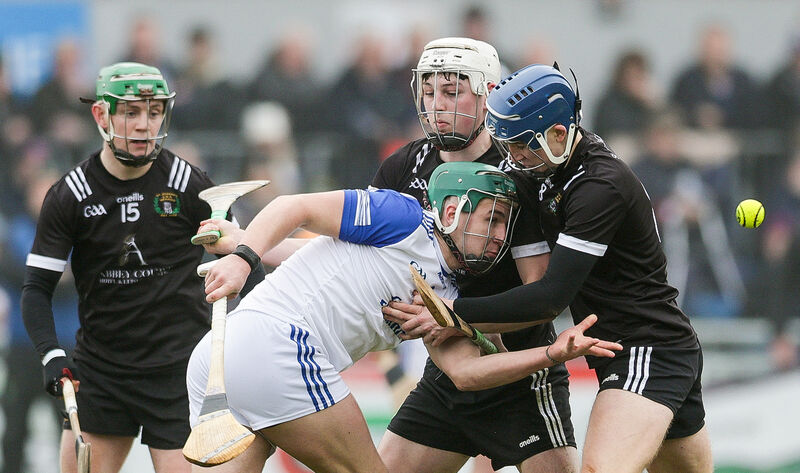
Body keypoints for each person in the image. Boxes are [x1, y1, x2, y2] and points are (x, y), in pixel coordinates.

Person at [187, 161, 621, 473]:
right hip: (278, 348)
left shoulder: (448, 297)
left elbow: (467, 373)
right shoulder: (405, 217)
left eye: (506, 226)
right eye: (492, 219)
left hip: (221, 356)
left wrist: (551, 353)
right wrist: (245, 256)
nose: (498, 238)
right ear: (451, 211)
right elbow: (293, 206)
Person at [383, 64, 713, 473]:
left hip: (647, 348)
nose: (514, 157)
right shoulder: (544, 166)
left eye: (522, 145)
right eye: (508, 145)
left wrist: (451, 314)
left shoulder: (598, 187)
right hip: (617, 350)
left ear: (558, 133)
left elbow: (548, 299)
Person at [20, 62, 264, 473]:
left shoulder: (189, 184)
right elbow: (36, 289)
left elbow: (248, 263)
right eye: (130, 112)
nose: (143, 125)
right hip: (101, 375)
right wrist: (51, 354)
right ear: (101, 115)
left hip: (179, 374)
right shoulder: (70, 195)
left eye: (153, 113)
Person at [372, 37, 579, 473]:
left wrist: (457, 316)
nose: (437, 105)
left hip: (518, 374)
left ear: (487, 92)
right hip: (448, 373)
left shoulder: (520, 168)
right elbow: (364, 256)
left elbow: (539, 292)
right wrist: (257, 248)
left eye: (452, 91)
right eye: (429, 92)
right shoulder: (401, 168)